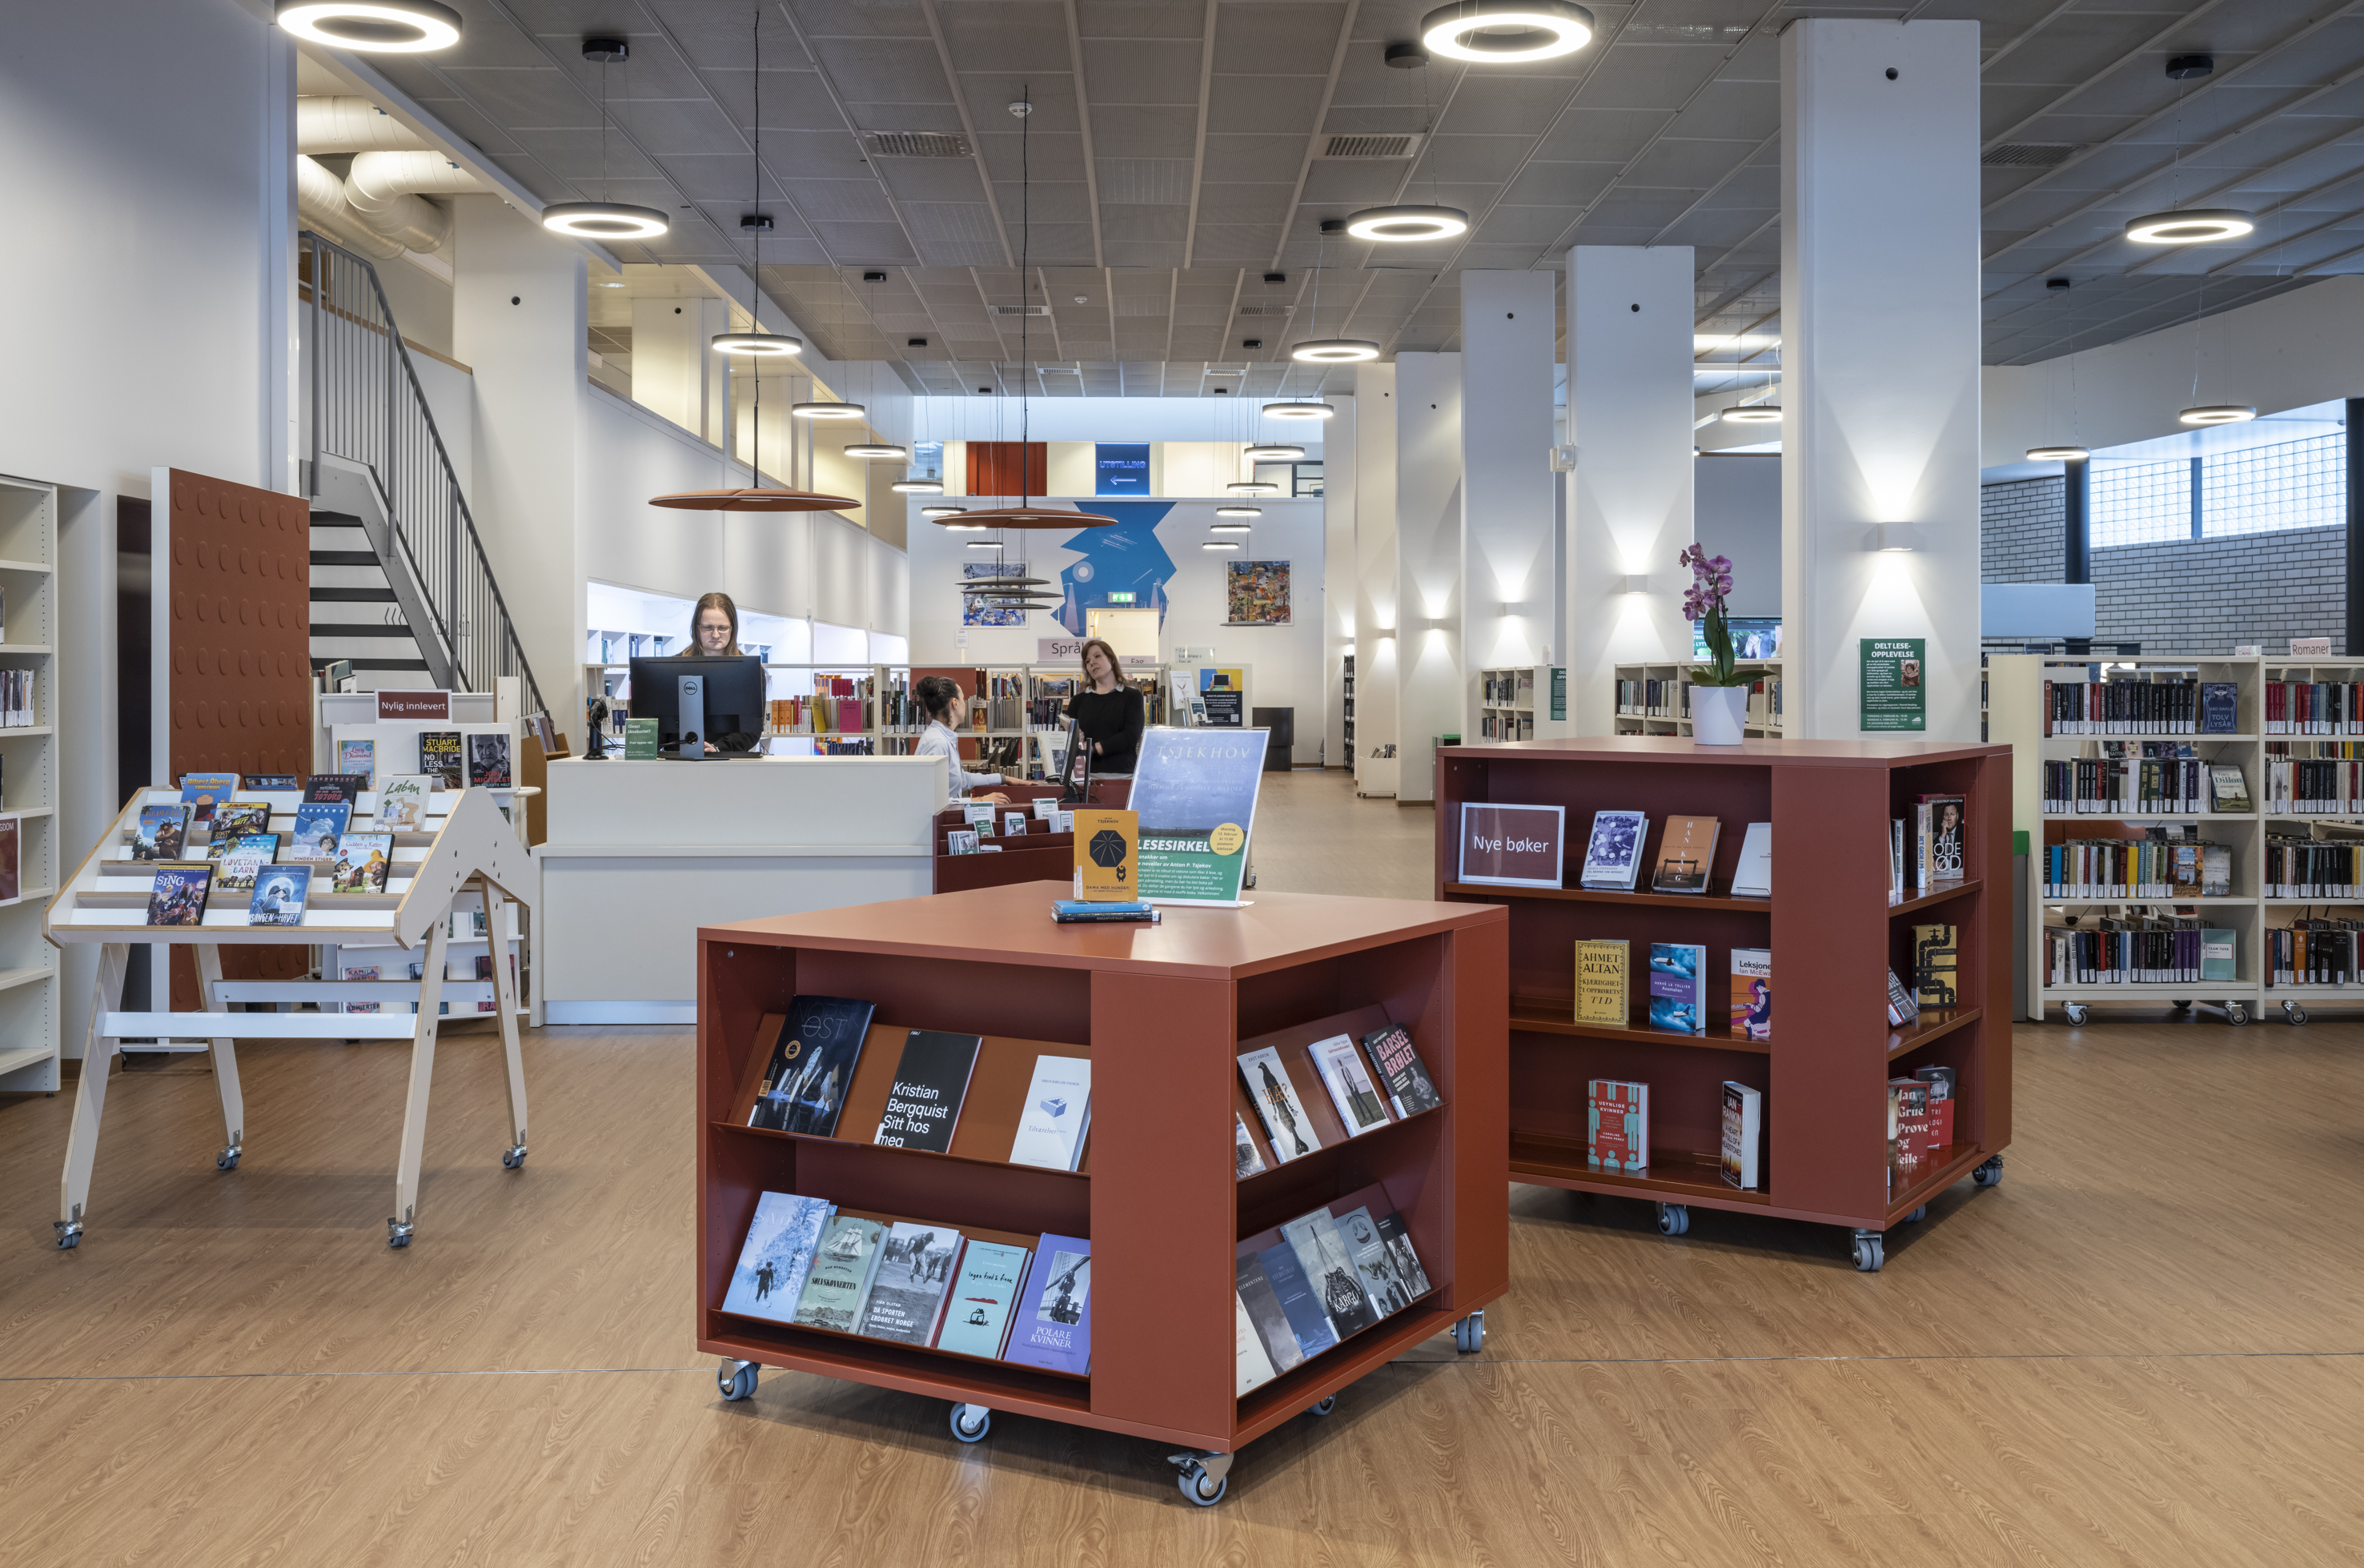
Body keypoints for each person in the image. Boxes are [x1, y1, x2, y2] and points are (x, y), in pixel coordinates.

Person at [913, 675, 1009, 804]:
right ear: (955, 703)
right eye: (963, 699)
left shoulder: (945, 737)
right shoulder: (936, 743)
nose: (965, 704)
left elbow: (962, 779)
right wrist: (980, 800)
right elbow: (930, 802)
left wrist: (1003, 778)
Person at [683, 591, 759, 754]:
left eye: (723, 628)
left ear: (733, 628)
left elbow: (751, 730)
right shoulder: (674, 667)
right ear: (697, 628)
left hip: (728, 761)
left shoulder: (749, 671)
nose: (716, 635)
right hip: (679, 760)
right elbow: (661, 722)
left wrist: (718, 748)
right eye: (708, 627)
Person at [1065, 637, 1146, 776]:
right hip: (1085, 777)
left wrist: (1093, 748)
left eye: (1097, 656)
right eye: (1087, 661)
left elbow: (1131, 735)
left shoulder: (1132, 696)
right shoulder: (1078, 701)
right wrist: (1074, 739)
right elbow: (1069, 743)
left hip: (1122, 776)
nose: (1092, 662)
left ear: (1112, 660)